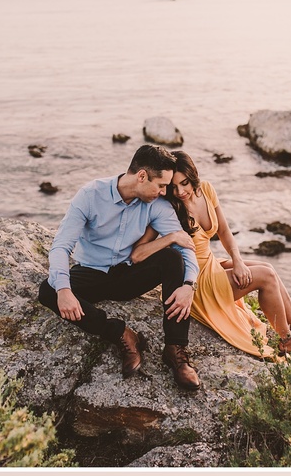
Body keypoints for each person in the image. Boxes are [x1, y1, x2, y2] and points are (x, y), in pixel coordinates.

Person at [37, 144, 201, 390]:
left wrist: (189, 285)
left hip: (128, 275)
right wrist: (64, 290)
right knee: (49, 290)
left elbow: (185, 248)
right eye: (161, 185)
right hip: (91, 272)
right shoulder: (90, 195)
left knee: (172, 259)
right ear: (142, 176)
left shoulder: (157, 205)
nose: (164, 192)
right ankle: (121, 334)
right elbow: (61, 246)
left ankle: (175, 348)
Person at [130, 152, 291, 359]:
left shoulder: (206, 190)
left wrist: (237, 260)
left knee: (268, 268)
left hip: (211, 263)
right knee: (266, 277)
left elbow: (223, 230)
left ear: (193, 176)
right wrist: (170, 238)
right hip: (194, 280)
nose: (180, 191)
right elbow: (137, 253)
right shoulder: (168, 208)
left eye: (185, 183)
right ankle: (287, 341)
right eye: (174, 186)